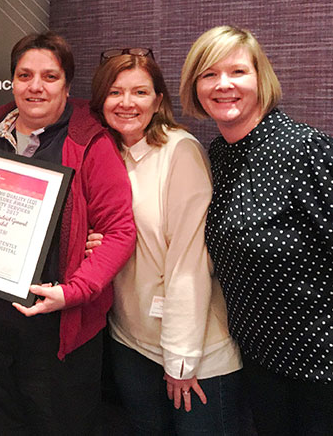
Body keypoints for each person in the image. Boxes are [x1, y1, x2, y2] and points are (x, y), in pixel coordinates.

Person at [0, 31, 136, 435]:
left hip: (58, 329)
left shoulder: (89, 143)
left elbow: (120, 231)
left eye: (49, 77)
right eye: (24, 75)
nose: (35, 87)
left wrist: (74, 292)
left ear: (67, 84)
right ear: (12, 81)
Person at [180, 25, 333, 435]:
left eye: (237, 72)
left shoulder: (304, 149)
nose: (223, 85)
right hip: (260, 358)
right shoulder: (219, 154)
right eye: (209, 74)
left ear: (260, 79)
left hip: (319, 366)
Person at [87, 48, 242, 434]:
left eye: (139, 92)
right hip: (129, 339)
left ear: (158, 101)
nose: (126, 103)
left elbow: (189, 262)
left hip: (193, 352)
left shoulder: (179, 152)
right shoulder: (106, 156)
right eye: (115, 92)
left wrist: (181, 359)